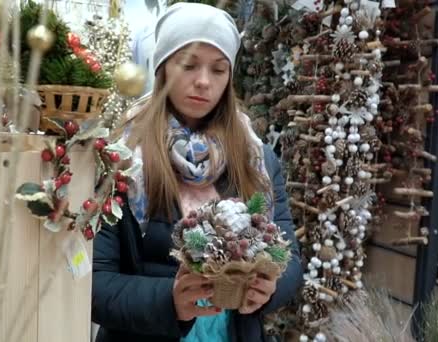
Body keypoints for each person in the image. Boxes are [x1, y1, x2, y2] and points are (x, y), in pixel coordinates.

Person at [91, 3, 302, 342]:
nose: (203, 82)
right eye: (188, 65)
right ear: (163, 68)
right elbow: (94, 281)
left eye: (218, 70)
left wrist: (271, 288)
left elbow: (289, 257)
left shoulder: (255, 158)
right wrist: (169, 300)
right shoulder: (123, 157)